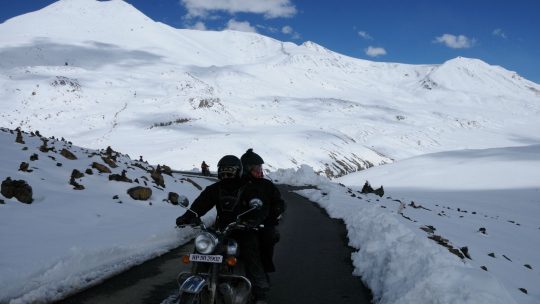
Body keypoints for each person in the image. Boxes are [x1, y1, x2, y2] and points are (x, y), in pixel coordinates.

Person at [176, 155, 271, 304]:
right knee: (202, 248)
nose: (226, 175)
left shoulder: (250, 188)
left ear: (238, 172)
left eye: (230, 172)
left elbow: (261, 207)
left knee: (250, 251)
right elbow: (201, 204)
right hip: (220, 229)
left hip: (243, 229)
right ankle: (197, 278)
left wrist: (254, 220)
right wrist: (188, 216)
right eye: (223, 172)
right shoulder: (215, 189)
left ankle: (260, 292)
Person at [240, 148, 285, 275]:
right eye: (256, 168)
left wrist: (275, 212)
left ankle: (263, 273)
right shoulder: (237, 184)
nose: (260, 170)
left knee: (267, 238)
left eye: (260, 167)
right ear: (247, 168)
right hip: (240, 222)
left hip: (262, 223)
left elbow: (279, 202)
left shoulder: (267, 185)